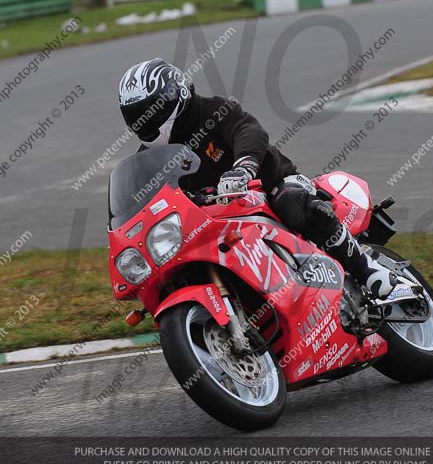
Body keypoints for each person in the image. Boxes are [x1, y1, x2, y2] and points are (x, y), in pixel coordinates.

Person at [118, 58, 407, 299]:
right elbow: (142, 201)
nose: (144, 120)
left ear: (174, 97)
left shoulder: (212, 111)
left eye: (149, 110)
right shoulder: (150, 157)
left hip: (270, 188)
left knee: (293, 202)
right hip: (215, 221)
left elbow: (248, 131)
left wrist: (243, 167)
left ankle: (368, 271)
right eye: (136, 115)